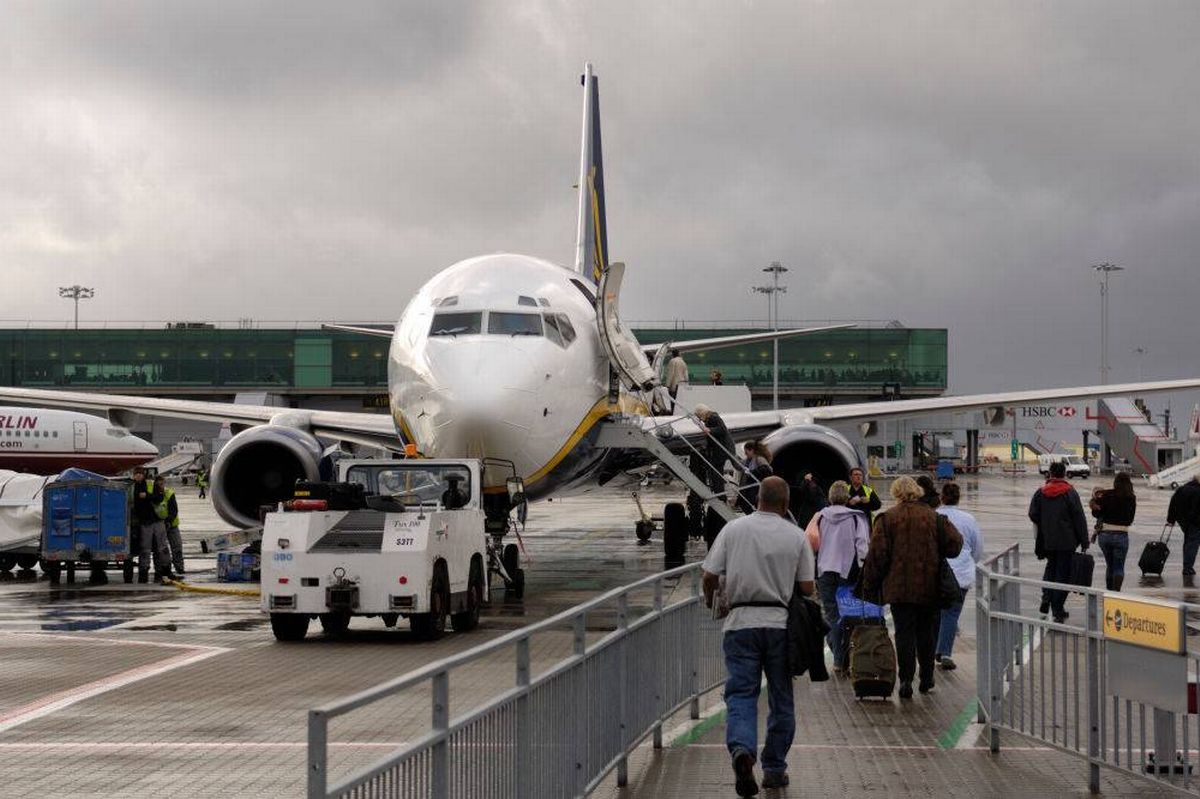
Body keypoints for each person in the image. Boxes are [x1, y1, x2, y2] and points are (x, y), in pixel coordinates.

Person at [702, 477, 815, 796]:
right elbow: (807, 587)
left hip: (740, 623)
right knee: (781, 698)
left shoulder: (733, 529)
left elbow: (709, 575)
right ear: (786, 502)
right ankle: (775, 769)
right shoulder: (796, 536)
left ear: (758, 499)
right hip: (780, 625)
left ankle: (742, 750)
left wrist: (714, 601)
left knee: (741, 694)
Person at [860, 475, 962, 699]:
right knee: (926, 633)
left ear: (896, 493)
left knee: (904, 634)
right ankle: (927, 678)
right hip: (930, 587)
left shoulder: (886, 519)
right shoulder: (934, 518)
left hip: (899, 589)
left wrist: (869, 586)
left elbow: (877, 556)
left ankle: (906, 679)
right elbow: (955, 546)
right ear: (917, 492)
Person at [810, 480, 870, 673]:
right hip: (848, 571)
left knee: (831, 613)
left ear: (830, 497)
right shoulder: (856, 518)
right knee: (847, 614)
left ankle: (837, 655)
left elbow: (810, 542)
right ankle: (841, 657)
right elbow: (862, 546)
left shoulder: (819, 517)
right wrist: (864, 568)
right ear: (847, 497)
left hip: (824, 570)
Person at [1029, 461, 1089, 623]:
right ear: (1063, 474)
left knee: (1051, 568)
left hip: (1047, 540)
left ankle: (1046, 597)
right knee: (1063, 574)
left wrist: (1046, 522)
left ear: (1050, 474)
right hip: (1067, 541)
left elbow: (1033, 514)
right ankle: (1058, 608)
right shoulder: (1070, 492)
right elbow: (1079, 518)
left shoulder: (1041, 492)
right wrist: (1084, 540)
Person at [935, 482, 983, 670]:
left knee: (937, 613)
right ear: (959, 497)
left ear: (942, 497)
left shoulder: (934, 516)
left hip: (937, 572)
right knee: (952, 613)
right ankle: (945, 651)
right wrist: (970, 561)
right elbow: (977, 548)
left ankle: (936, 647)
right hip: (961, 573)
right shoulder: (969, 519)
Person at [1091, 472, 1136, 591]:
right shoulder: (1131, 498)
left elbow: (1096, 513)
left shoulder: (1106, 495)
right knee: (1119, 567)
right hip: (1121, 535)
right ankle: (1116, 593)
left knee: (1110, 566)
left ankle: (1109, 592)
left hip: (1105, 535)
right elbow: (1130, 520)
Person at [131, 468, 172, 583]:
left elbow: (159, 498)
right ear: (134, 476)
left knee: (162, 548)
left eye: (140, 474)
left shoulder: (150, 484)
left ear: (143, 475)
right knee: (145, 549)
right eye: (136, 474)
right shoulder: (132, 487)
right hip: (144, 522)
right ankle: (143, 573)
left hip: (157, 520)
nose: (138, 476)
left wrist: (147, 496)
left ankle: (166, 571)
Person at [694, 405, 736, 494]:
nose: (701, 420)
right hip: (721, 449)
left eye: (699, 417)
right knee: (716, 470)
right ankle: (718, 490)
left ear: (702, 413)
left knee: (716, 471)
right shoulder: (712, 418)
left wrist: (709, 430)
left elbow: (722, 429)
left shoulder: (714, 418)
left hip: (721, 450)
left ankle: (718, 491)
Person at [1168, 475, 1200, 577]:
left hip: (1183, 521)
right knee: (1192, 544)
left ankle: (1187, 566)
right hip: (1195, 522)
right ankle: (1187, 568)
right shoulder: (1198, 491)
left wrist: (1171, 519)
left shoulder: (1182, 489)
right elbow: (1196, 509)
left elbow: (1173, 503)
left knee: (1188, 543)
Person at [154, 475, 185, 577]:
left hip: (171, 525)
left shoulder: (169, 493)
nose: (161, 486)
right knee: (161, 549)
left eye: (162, 484)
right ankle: (161, 569)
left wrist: (168, 521)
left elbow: (174, 510)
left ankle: (179, 568)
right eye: (158, 484)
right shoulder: (153, 495)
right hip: (159, 525)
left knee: (177, 547)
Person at [736, 441, 772, 514]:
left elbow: (767, 470)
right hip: (747, 489)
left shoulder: (759, 459)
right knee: (744, 505)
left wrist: (751, 472)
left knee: (749, 506)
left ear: (752, 450)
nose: (745, 455)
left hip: (754, 488)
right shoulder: (747, 461)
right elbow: (738, 465)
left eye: (746, 452)